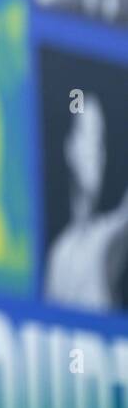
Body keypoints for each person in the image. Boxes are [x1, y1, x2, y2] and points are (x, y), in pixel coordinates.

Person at [44, 92, 128, 311]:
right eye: (87, 136)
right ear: (70, 147)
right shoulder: (59, 254)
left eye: (100, 142)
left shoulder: (110, 234)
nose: (96, 154)